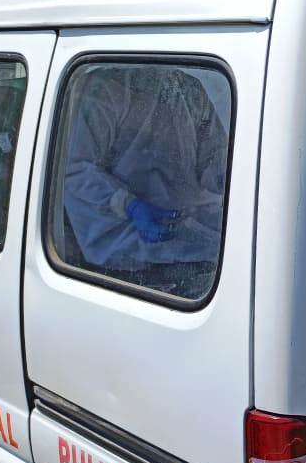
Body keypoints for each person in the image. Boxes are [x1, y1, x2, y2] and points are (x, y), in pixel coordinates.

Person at [62, 65, 228, 293]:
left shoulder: (189, 88)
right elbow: (75, 170)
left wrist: (223, 176)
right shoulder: (106, 88)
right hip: (123, 252)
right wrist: (127, 204)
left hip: (188, 239)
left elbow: (213, 156)